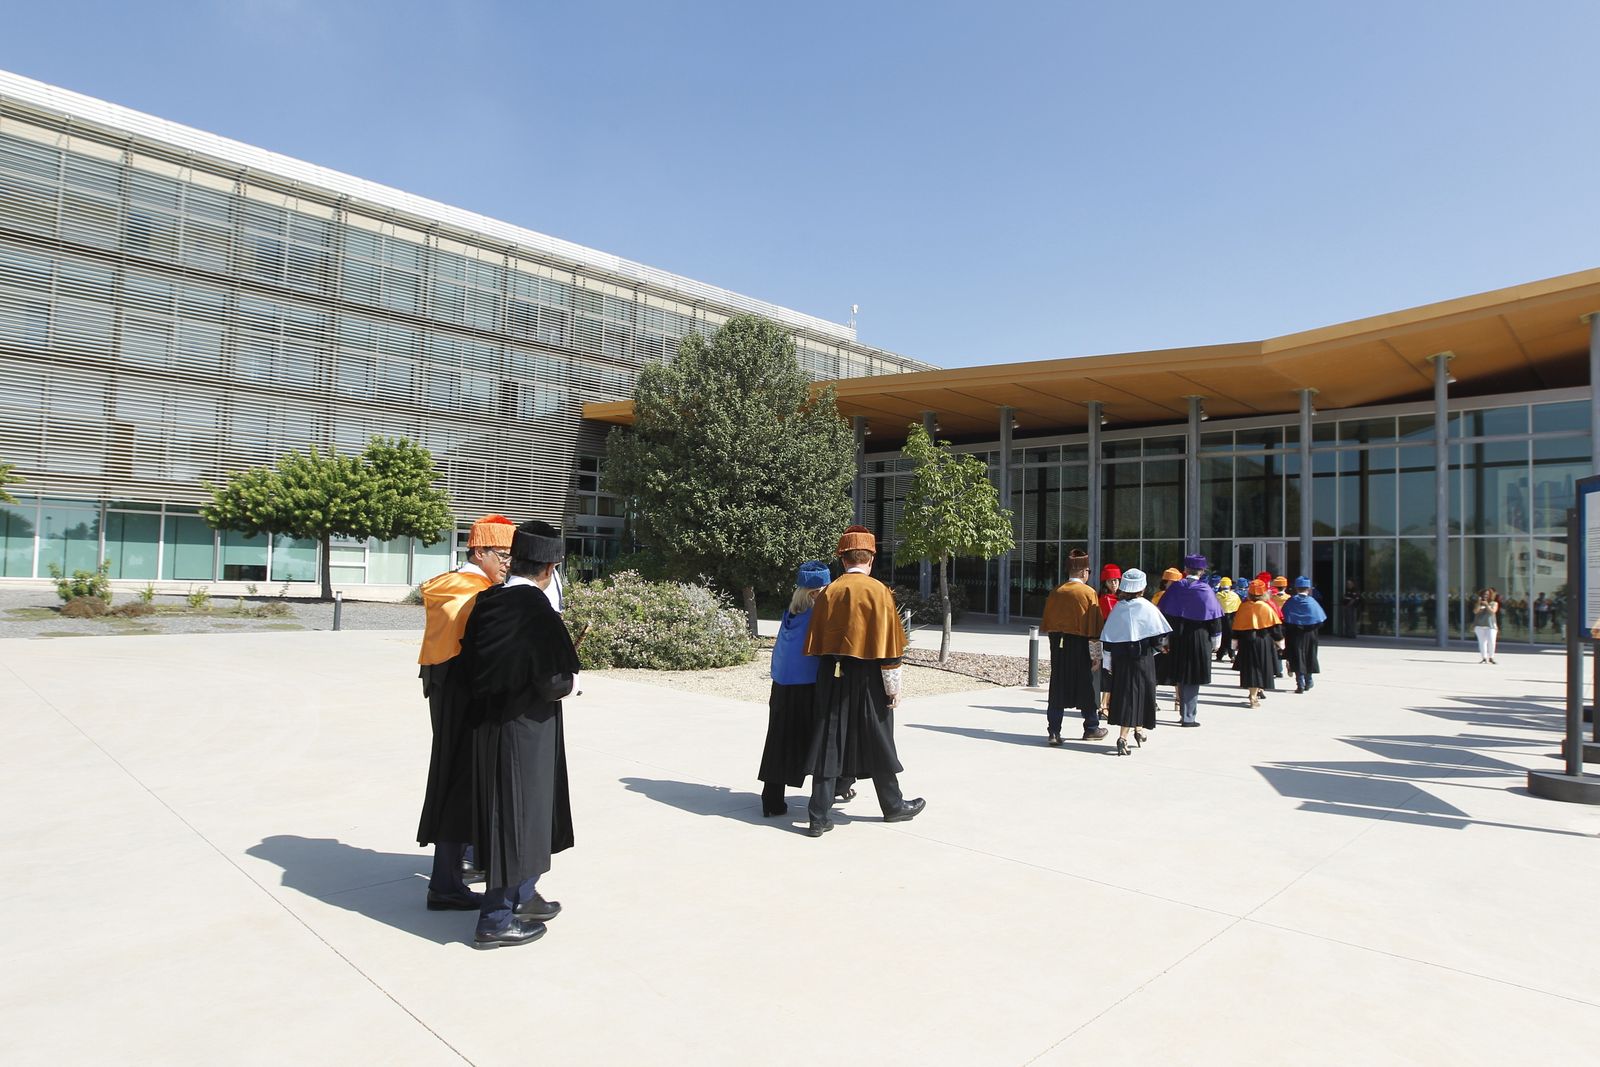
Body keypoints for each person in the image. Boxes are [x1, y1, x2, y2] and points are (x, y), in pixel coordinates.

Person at [459, 520, 579, 949]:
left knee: (516, 812)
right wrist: (574, 685)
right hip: (526, 727)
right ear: (549, 567)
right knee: (518, 815)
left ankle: (524, 895)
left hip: (489, 724)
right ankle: (495, 917)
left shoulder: (489, 601)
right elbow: (553, 681)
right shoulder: (536, 610)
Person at [415, 514, 515, 912]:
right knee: (461, 784)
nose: (508, 563)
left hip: (446, 689)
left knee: (455, 781)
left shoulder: (452, 585)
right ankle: (446, 881)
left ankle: (458, 867)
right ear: (479, 551)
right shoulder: (471, 592)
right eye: (503, 555)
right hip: (465, 697)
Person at [802, 525, 925, 837]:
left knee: (830, 739)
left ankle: (818, 814)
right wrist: (893, 689)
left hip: (832, 674)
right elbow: (890, 648)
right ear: (870, 558)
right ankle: (893, 806)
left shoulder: (829, 591)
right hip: (870, 677)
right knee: (879, 738)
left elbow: (815, 643)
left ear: (843, 560)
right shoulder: (879, 591)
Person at [759, 561, 831, 815]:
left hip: (781, 683)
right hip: (807, 685)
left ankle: (772, 800)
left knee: (778, 740)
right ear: (815, 592)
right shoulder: (819, 614)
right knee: (820, 742)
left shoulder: (790, 613)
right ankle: (829, 795)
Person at [1101, 569, 1171, 756]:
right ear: (1142, 587)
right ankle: (1124, 736)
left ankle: (1137, 730)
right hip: (1143, 659)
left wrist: (1107, 663)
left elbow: (1108, 640)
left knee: (1125, 694)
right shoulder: (1148, 608)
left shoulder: (1118, 608)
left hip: (1121, 660)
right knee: (1142, 693)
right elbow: (1159, 639)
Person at [1040, 548, 1104, 744]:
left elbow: (1048, 624)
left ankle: (1054, 731)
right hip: (1080, 645)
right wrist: (1096, 655)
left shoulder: (1056, 592)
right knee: (1085, 686)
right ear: (1085, 572)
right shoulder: (1088, 593)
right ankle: (1091, 727)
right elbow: (1095, 628)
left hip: (1058, 645)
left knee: (1057, 686)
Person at [1158, 554, 1223, 727]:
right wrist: (1216, 640)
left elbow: (1166, 613)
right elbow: (1214, 618)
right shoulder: (1205, 590)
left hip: (1178, 636)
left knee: (1181, 674)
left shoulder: (1176, 588)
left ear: (1185, 570)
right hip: (1199, 637)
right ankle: (1189, 716)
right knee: (1193, 677)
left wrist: (1165, 638)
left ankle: (1183, 711)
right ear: (1201, 571)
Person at [1232, 580, 1284, 708]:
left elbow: (1236, 628)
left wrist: (1234, 646)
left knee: (1250, 669)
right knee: (1261, 668)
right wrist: (1281, 645)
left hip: (1246, 642)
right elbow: (1275, 629)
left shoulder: (1243, 607)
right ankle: (1256, 694)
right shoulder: (1266, 607)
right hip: (1263, 642)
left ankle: (1252, 694)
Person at [1282, 576, 1328, 693]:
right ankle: (1309, 680)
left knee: (1297, 657)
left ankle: (1300, 683)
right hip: (1310, 634)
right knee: (1309, 655)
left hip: (1295, 635)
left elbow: (1284, 618)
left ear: (1296, 588)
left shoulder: (1291, 601)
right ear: (1308, 589)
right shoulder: (1312, 602)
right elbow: (1320, 620)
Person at [1096, 564, 1122, 717]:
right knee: (1108, 671)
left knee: (1112, 671)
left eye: (1116, 581)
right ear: (1105, 582)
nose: (1114, 584)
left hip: (1117, 639)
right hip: (1108, 639)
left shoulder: (1120, 598)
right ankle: (1104, 705)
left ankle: (1108, 704)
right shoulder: (1105, 599)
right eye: (1111, 581)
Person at [1215, 577, 1241, 663]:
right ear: (1230, 585)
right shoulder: (1235, 596)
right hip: (1232, 619)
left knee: (1222, 637)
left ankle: (1219, 655)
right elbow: (1239, 607)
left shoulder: (1217, 596)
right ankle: (1232, 655)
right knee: (1231, 637)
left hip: (1220, 618)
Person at [1473, 588, 1500, 663]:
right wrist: (1479, 603)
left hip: (1490, 626)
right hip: (1479, 626)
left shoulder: (1494, 603)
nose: (1485, 596)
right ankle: (1484, 657)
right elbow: (1475, 611)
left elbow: (1492, 612)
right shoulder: (1478, 603)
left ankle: (1491, 657)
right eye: (1484, 594)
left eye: (1487, 594)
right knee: (1482, 642)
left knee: (1491, 641)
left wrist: (1487, 605)